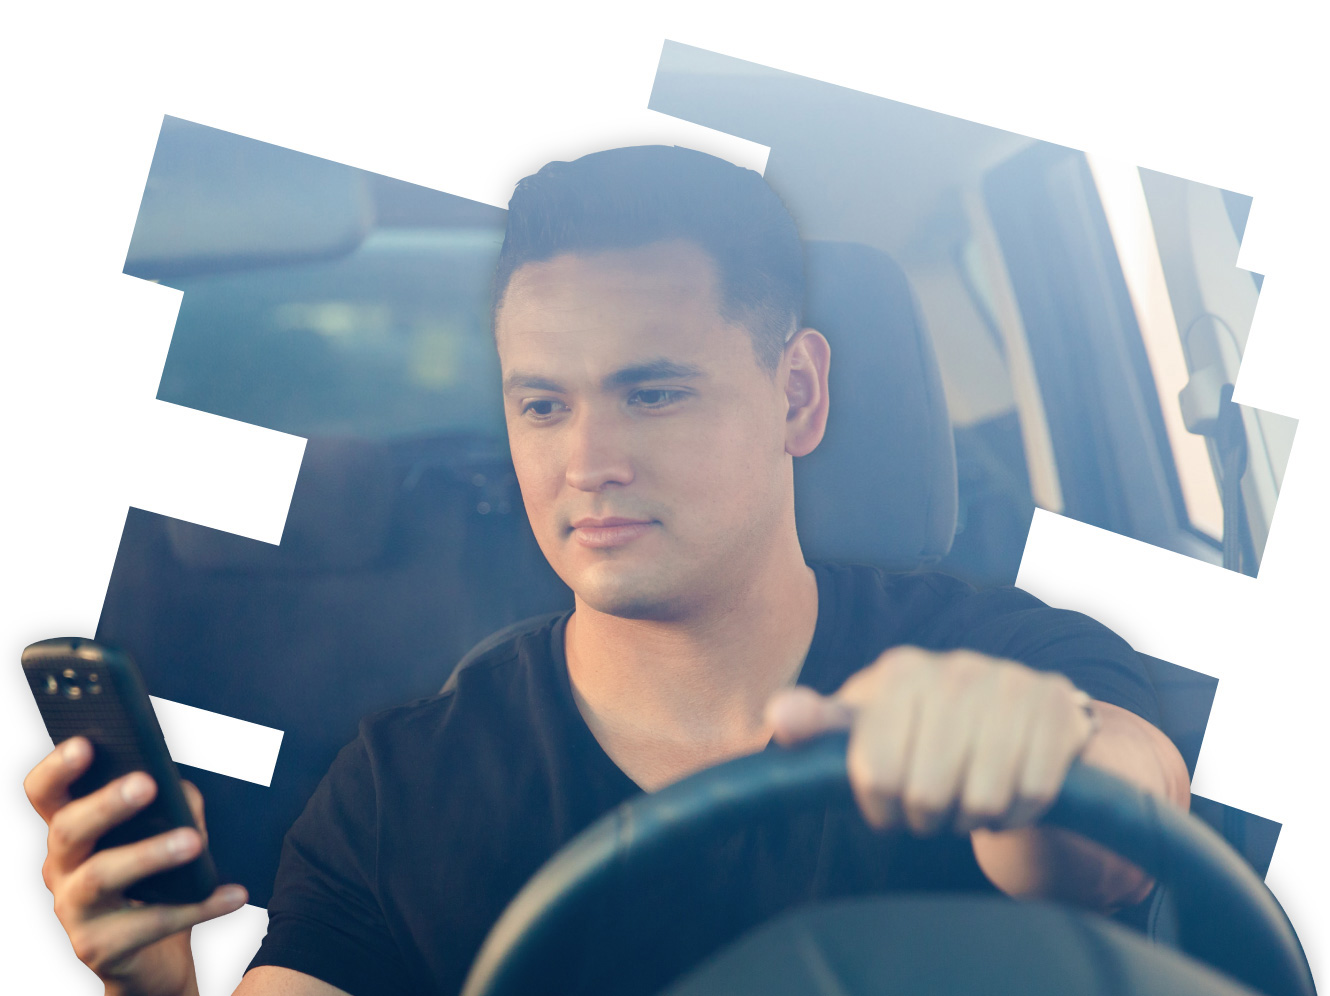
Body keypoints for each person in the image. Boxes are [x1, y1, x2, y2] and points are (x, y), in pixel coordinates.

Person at [24, 145, 1190, 996]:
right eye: (544, 404)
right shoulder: (400, 791)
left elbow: (1116, 832)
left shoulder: (1012, 663)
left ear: (797, 394)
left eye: (654, 391)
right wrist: (154, 989)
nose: (587, 462)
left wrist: (1029, 771)